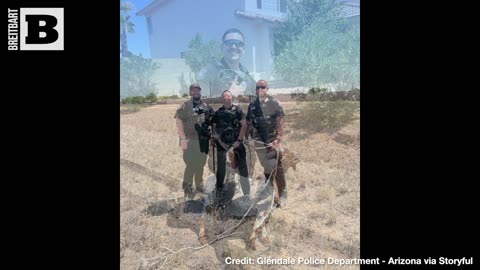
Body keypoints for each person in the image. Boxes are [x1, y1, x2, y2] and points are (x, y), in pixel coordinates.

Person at [246, 80, 287, 207]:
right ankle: (271, 195)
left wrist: (278, 139)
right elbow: (249, 123)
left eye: (262, 87)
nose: (260, 89)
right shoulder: (252, 104)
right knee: (267, 168)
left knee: (277, 167)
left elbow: (280, 122)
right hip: (258, 143)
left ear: (267, 88)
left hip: (272, 141)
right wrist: (247, 138)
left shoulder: (274, 103)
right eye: (258, 87)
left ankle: (283, 195)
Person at [174, 83, 214, 199]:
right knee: (190, 164)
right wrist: (182, 139)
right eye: (193, 90)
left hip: (203, 141)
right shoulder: (185, 105)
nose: (196, 92)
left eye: (198, 90)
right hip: (189, 140)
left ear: (200, 92)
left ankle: (199, 185)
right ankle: (187, 189)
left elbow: (212, 120)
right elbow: (178, 121)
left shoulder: (206, 106)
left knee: (200, 164)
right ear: (190, 92)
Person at [211, 90, 250, 209]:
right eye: (224, 97)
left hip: (237, 145)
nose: (227, 98)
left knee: (243, 168)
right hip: (222, 146)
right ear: (222, 99)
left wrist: (238, 141)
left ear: (231, 98)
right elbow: (214, 128)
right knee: (221, 170)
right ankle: (219, 194)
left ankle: (247, 194)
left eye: (228, 96)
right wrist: (218, 140)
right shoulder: (218, 112)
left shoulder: (238, 110)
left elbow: (244, 125)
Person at [196, 28, 256, 98]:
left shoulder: (247, 77)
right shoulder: (209, 73)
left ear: (243, 49)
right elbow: (200, 103)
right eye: (229, 43)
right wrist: (227, 97)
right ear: (222, 47)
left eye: (238, 43)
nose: (234, 47)